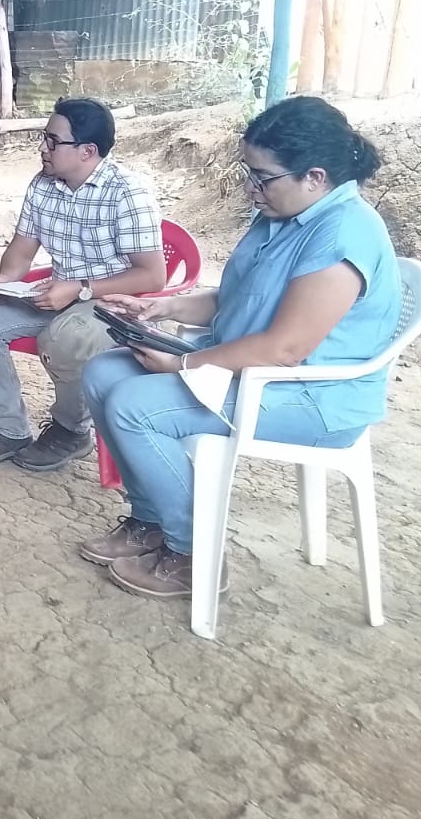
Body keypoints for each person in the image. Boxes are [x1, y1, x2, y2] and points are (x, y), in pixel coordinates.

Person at [79, 96, 402, 600]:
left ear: (314, 177)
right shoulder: (281, 212)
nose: (253, 188)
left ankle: (193, 555)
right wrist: (161, 310)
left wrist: (184, 362)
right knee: (104, 374)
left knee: (134, 408)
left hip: (311, 397)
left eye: (263, 177)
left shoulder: (343, 234)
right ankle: (151, 519)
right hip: (248, 370)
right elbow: (235, 300)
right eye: (248, 173)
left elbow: (285, 347)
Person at [0, 97, 166, 472]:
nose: (43, 148)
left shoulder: (127, 193)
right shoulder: (42, 185)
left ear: (87, 151)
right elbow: (21, 253)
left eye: (53, 141)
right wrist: (5, 281)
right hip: (61, 294)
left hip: (114, 304)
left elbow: (152, 276)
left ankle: (72, 430)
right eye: (45, 138)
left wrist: (80, 288)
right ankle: (10, 430)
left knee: (65, 336)